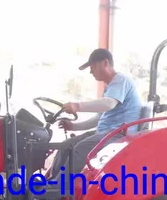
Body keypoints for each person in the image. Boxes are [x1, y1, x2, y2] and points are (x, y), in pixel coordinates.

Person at [49, 48, 144, 186]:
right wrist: (74, 126)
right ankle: (52, 184)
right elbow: (100, 118)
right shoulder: (110, 88)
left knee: (80, 149)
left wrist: (77, 106)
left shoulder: (121, 81)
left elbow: (108, 104)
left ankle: (58, 189)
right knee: (65, 146)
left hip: (119, 134)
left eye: (93, 67)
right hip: (106, 132)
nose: (90, 72)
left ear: (105, 63)